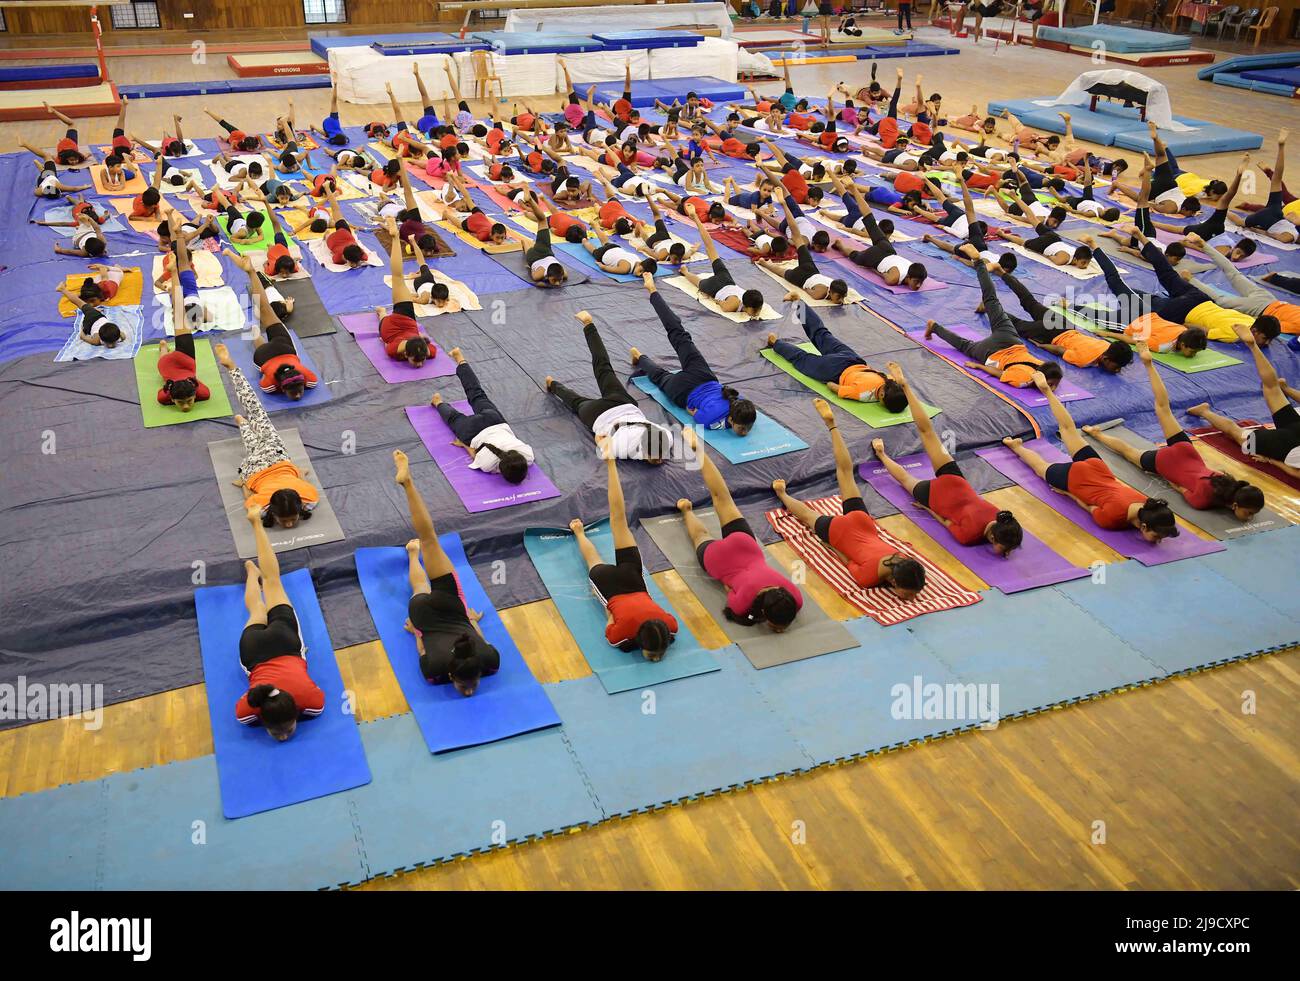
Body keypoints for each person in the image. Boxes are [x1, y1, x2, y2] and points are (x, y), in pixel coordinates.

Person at [1083, 343, 1264, 520]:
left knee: (1164, 408)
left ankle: (1149, 364)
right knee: (1128, 452)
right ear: (1234, 505)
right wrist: (1167, 474)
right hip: (1166, 463)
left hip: (1187, 451)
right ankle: (1096, 433)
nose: (1250, 517)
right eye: (1249, 513)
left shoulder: (1228, 482)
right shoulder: (1203, 501)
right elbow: (1178, 488)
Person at [772, 399, 925, 597]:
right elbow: (847, 561)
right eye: (909, 594)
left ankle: (832, 426)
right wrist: (831, 545)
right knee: (808, 516)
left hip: (864, 524)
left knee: (845, 472)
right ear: (894, 582)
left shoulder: (905, 561)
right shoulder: (868, 579)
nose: (913, 598)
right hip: (839, 533)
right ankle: (781, 493)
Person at [1002, 373, 1180, 541]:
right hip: (1076, 479)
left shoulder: (1148, 504)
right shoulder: (1112, 520)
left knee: (1068, 430)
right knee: (1040, 467)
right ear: (1143, 526)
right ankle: (1016, 446)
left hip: (1098, 468)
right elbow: (1087, 506)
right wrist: (1067, 492)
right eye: (1157, 536)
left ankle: (1047, 391)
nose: (1159, 541)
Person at [872, 363, 1023, 555]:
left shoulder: (1000, 516)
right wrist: (926, 507)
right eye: (1005, 548)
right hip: (935, 496)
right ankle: (881, 454)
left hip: (956, 481)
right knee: (904, 479)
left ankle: (906, 387)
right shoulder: (969, 537)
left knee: (928, 432)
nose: (1005, 551)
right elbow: (944, 521)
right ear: (993, 538)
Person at [393, 450, 501, 693]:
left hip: (453, 607)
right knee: (420, 588)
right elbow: (422, 648)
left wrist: (470, 618)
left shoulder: (489, 660)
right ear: (451, 674)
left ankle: (408, 484)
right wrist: (416, 630)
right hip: (422, 615)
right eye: (470, 685)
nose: (469, 691)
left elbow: (478, 638)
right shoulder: (434, 672)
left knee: (429, 539)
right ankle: (412, 554)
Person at [676, 428, 804, 629]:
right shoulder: (743, 606)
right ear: (764, 614)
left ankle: (699, 451)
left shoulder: (795, 597)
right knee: (700, 535)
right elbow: (728, 589)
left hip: (745, 547)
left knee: (722, 498)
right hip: (719, 561)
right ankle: (686, 511)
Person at [571, 449, 678, 660]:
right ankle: (578, 532)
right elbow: (610, 617)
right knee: (594, 560)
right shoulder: (621, 637)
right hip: (608, 584)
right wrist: (610, 607)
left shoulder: (670, 626)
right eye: (657, 653)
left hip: (633, 578)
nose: (656, 659)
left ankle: (611, 464)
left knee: (619, 520)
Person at [234, 501, 325, 740]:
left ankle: (256, 535)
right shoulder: (249, 707)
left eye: (277, 731)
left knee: (272, 582)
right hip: (253, 650)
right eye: (287, 730)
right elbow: (243, 714)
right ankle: (253, 571)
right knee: (257, 608)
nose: (283, 736)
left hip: (284, 643)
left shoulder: (310, 700)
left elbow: (315, 707)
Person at [632, 274, 757, 436]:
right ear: (732, 420)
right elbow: (692, 411)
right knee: (660, 376)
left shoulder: (738, 401)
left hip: (704, 376)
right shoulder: (712, 420)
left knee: (679, 334)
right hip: (684, 390)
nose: (745, 432)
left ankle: (653, 292)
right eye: (742, 428)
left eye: (747, 428)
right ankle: (639, 356)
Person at [214, 342, 320, 528]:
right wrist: (246, 483)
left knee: (256, 418)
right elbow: (248, 494)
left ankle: (244, 423)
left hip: (262, 465)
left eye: (289, 519)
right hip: (270, 459)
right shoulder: (307, 497)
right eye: (287, 519)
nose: (288, 525)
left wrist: (247, 482)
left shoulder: (306, 496)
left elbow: (249, 493)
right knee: (253, 436)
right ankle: (243, 421)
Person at [546, 310, 674, 463]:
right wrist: (601, 439)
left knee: (603, 367)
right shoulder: (624, 448)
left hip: (624, 404)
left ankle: (588, 323)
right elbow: (601, 440)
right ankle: (552, 384)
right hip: (600, 415)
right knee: (576, 402)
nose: (659, 461)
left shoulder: (666, 437)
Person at [1188, 323, 1300, 480]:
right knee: (1237, 434)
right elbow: (1296, 473)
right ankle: (1203, 411)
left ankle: (1253, 346)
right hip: (1286, 446)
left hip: (1295, 428)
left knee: (1272, 388)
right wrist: (1271, 460)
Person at [925, 264, 1064, 389]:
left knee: (992, 300)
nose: (1053, 389)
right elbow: (999, 373)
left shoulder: (1042, 364)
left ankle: (979, 263)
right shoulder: (1024, 380)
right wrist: (979, 366)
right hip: (993, 351)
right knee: (965, 346)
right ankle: (935, 327)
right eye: (1051, 385)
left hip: (1011, 339)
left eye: (1054, 385)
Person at [765, 300, 908, 410]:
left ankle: (799, 303)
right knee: (803, 360)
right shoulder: (865, 395)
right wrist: (825, 378)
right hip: (835, 369)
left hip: (852, 358)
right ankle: (775, 343)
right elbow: (834, 387)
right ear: (882, 397)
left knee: (821, 334)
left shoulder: (889, 379)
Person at [431, 349, 535, 485]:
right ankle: (437, 401)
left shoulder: (528, 456)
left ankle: (460, 358)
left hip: (495, 420)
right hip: (473, 431)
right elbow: (473, 452)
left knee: (476, 393)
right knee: (454, 418)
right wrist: (462, 443)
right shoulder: (487, 465)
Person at [1184, 233, 1300, 337]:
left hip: (1269, 299)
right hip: (1259, 308)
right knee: (1221, 301)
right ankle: (1190, 279)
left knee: (1234, 273)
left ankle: (1203, 245)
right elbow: (1272, 326)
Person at [757, 191, 848, 303]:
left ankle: (784, 205)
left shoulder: (835, 287)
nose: (842, 301)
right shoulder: (820, 294)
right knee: (782, 272)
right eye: (839, 297)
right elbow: (807, 291)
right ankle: (764, 263)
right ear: (832, 293)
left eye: (842, 297)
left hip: (811, 269)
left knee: (796, 237)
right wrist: (800, 285)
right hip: (802, 277)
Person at [373, 216, 435, 368]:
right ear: (407, 354)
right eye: (419, 360)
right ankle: (395, 238)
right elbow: (427, 344)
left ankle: (381, 313)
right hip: (406, 320)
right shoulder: (426, 351)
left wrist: (419, 339)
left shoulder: (393, 350)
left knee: (397, 279)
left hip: (388, 329)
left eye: (420, 360)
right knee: (397, 277)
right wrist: (420, 338)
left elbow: (388, 344)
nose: (420, 364)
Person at [679, 214, 767, 319]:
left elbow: (752, 300)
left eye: (758, 309)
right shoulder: (734, 304)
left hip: (727, 280)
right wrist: (719, 302)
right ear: (747, 306)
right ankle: (685, 272)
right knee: (699, 282)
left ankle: (697, 220)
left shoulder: (754, 301)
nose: (757, 313)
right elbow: (725, 307)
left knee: (711, 250)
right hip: (715, 287)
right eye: (755, 310)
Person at [830, 207, 928, 288]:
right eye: (916, 282)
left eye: (920, 282)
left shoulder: (916, 271)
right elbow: (882, 275)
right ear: (908, 277)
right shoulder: (894, 279)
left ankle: (855, 192)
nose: (918, 285)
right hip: (876, 257)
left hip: (889, 249)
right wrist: (872, 268)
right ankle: (840, 245)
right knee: (856, 256)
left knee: (872, 225)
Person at [154, 272, 210, 413]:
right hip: (185, 362)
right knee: (179, 314)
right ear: (172, 399)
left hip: (166, 365)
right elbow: (203, 391)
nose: (186, 406)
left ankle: (163, 347)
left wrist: (179, 393)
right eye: (181, 402)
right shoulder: (201, 392)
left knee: (163, 359)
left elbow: (161, 394)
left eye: (187, 401)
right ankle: (163, 347)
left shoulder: (164, 396)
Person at [1230, 130, 1296, 244]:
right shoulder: (1293, 237)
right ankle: (1223, 210)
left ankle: (1281, 146)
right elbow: (1280, 238)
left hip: (1276, 211)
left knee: (1277, 179)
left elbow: (1291, 216)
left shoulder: (1295, 230)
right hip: (1268, 220)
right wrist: (1258, 230)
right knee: (1240, 222)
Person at [55, 283, 126, 349]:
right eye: (108, 343)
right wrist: (82, 330)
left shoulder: (115, 336)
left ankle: (63, 289)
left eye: (113, 343)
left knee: (83, 305)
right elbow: (82, 336)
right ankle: (62, 289)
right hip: (94, 318)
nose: (111, 346)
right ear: (101, 338)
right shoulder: (97, 339)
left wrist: (83, 329)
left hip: (93, 321)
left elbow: (83, 336)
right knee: (79, 302)